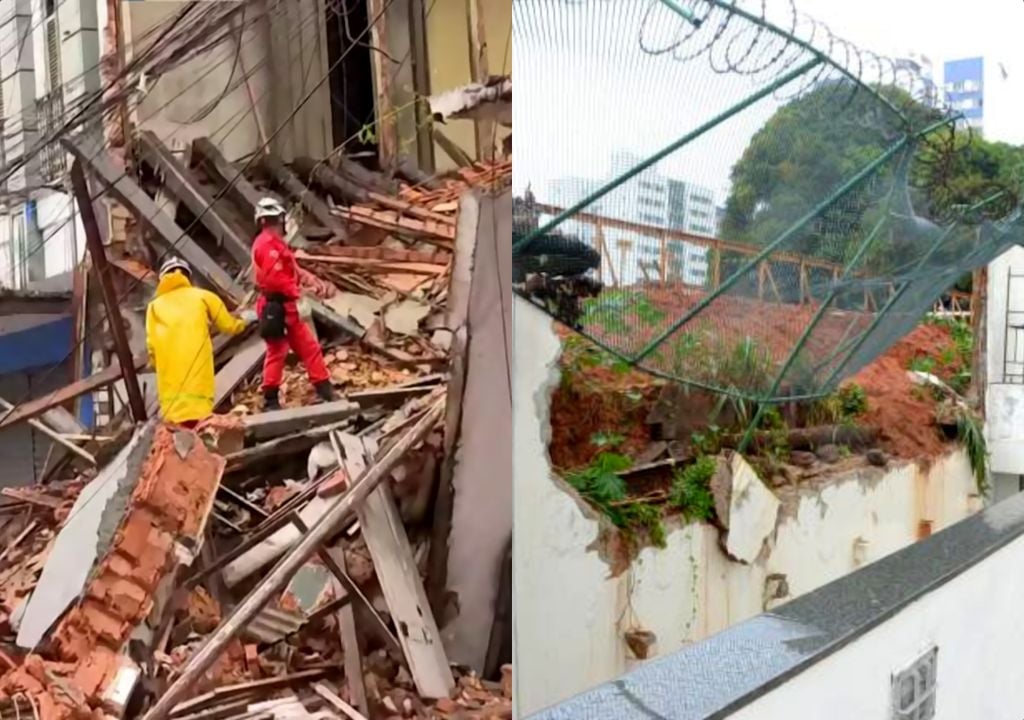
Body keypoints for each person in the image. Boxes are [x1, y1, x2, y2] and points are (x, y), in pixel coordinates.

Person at [252, 197, 336, 410]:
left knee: (308, 347)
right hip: (277, 307)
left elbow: (290, 268)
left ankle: (324, 389)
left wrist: (307, 278)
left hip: (287, 308)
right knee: (277, 351)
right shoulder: (267, 245)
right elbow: (275, 279)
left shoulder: (275, 244)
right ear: (279, 219)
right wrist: (298, 291)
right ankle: (271, 399)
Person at [146, 257, 251, 428]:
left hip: (170, 393)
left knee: (177, 436)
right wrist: (245, 320)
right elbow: (228, 325)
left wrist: (157, 363)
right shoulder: (203, 296)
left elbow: (151, 346)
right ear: (188, 277)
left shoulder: (154, 307)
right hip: (199, 386)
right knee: (200, 429)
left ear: (162, 279)